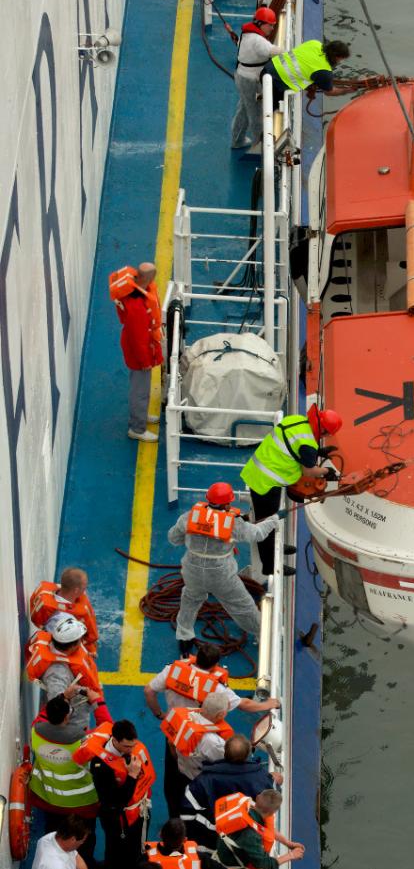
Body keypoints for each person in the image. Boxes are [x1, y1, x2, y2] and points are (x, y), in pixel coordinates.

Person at [145, 641, 279, 816]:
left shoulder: (172, 671)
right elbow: (243, 704)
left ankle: (173, 817)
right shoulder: (215, 689)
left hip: (176, 730)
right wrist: (270, 704)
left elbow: (149, 691)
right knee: (197, 788)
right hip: (199, 752)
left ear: (197, 657)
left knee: (172, 784)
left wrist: (159, 714)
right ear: (215, 665)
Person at [167, 481, 284, 655]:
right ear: (228, 503)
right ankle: (264, 633)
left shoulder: (189, 516)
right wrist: (273, 520)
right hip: (221, 575)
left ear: (208, 499)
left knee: (190, 600)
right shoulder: (234, 524)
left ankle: (184, 635)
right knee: (242, 606)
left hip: (192, 571)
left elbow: (173, 539)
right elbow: (257, 534)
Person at [240, 407, 342, 575]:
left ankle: (276, 548)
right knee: (266, 523)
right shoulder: (307, 445)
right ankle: (269, 566)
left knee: (267, 520)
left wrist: (319, 451)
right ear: (322, 429)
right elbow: (309, 471)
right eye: (325, 434)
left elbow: (294, 443)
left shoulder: (296, 420)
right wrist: (326, 472)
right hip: (266, 483)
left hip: (257, 470)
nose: (324, 437)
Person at [79, 719, 155, 869]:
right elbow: (114, 801)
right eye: (127, 747)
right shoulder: (101, 766)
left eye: (133, 745)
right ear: (115, 740)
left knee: (135, 850)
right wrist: (132, 776)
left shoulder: (128, 749)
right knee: (116, 853)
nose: (132, 750)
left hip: (138, 812)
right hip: (117, 819)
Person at [181, 734, 281, 852]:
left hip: (212, 843)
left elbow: (186, 813)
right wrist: (273, 779)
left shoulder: (203, 781)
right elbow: (270, 799)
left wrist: (210, 828)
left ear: (225, 753)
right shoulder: (262, 778)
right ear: (248, 755)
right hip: (245, 845)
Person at [26, 611, 110, 730]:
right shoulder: (56, 672)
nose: (82, 643)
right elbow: (56, 710)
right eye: (80, 640)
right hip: (72, 727)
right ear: (72, 646)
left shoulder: (61, 649)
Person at [29, 695, 100, 835]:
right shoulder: (81, 740)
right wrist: (98, 702)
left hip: (48, 798)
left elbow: (42, 716)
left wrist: (63, 696)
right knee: (83, 838)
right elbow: (108, 732)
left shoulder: (35, 731)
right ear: (67, 717)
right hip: (81, 802)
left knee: (53, 834)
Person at [109, 261, 163, 443]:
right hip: (139, 353)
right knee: (140, 390)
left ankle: (141, 415)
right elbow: (139, 339)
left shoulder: (134, 295)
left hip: (136, 347)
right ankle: (137, 428)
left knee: (142, 388)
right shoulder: (137, 307)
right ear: (151, 278)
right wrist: (145, 361)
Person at [161, 691, 234, 814]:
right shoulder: (213, 742)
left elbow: (170, 744)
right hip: (198, 783)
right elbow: (227, 765)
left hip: (180, 774)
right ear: (220, 715)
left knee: (175, 808)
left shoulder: (182, 720)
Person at [214, 790, 304, 869]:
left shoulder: (248, 808)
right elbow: (264, 865)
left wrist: (288, 843)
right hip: (229, 867)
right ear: (272, 813)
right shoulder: (251, 836)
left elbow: (267, 830)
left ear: (257, 798)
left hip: (222, 845)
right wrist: (291, 855)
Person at [231, 7, 281, 150]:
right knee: (256, 113)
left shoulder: (246, 34)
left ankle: (237, 139)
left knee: (244, 109)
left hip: (242, 76)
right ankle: (260, 147)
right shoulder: (258, 41)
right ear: (260, 24)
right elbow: (274, 51)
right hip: (251, 80)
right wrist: (292, 53)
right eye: (270, 25)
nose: (272, 28)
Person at [30, 567, 99, 655]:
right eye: (84, 587)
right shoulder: (64, 618)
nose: (85, 590)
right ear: (76, 590)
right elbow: (63, 643)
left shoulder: (56, 596)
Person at [262, 39, 351, 106]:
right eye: (341, 59)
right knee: (272, 109)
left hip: (267, 68)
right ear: (336, 57)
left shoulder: (314, 43)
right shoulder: (325, 72)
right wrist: (346, 90)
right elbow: (329, 92)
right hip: (276, 85)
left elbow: (303, 62)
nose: (340, 62)